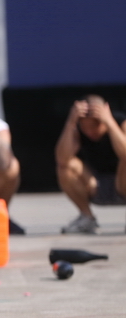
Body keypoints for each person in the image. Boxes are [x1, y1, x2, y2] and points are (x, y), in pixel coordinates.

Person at [55, 94, 126, 233]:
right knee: (67, 166)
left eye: (94, 126)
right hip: (95, 184)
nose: (90, 132)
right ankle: (87, 217)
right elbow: (62, 159)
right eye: (85, 127)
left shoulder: (120, 122)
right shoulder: (77, 129)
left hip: (122, 183)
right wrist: (70, 123)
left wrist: (109, 123)